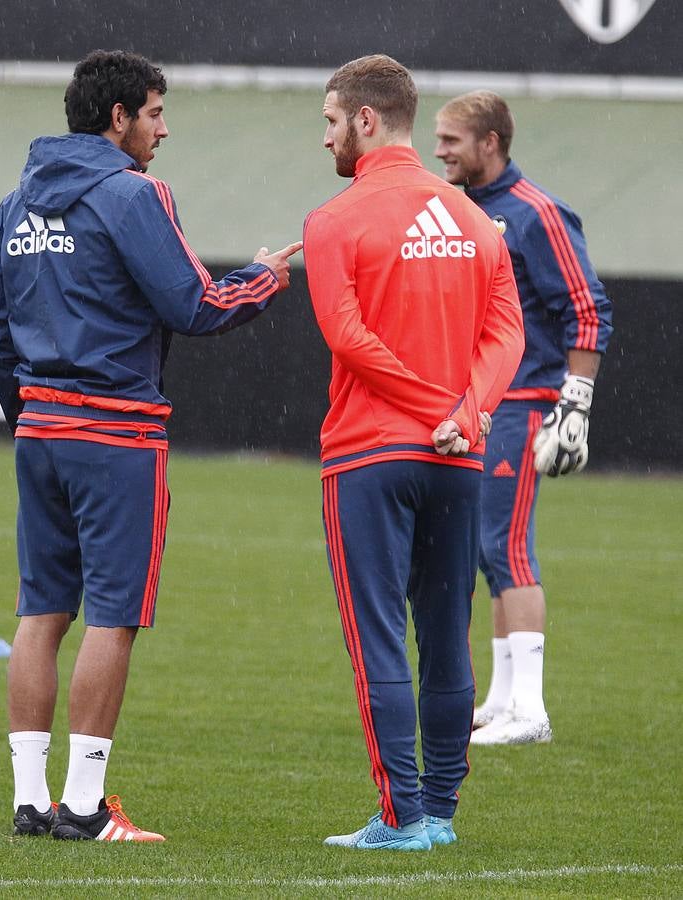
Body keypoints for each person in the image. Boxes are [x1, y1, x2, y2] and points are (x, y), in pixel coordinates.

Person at [0, 49, 301, 842]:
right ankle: (84, 808)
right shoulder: (133, 195)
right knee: (113, 617)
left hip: (41, 432)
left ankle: (29, 801)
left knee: (40, 612)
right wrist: (263, 277)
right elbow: (196, 306)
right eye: (155, 112)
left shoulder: (15, 203)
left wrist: (33, 412)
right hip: (116, 433)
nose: (164, 128)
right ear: (117, 117)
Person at [302, 55, 524, 850]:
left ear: (365, 120)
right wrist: (466, 412)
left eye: (329, 122)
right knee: (444, 631)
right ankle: (438, 815)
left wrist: (437, 408)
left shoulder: (331, 220)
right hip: (456, 457)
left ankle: (397, 820)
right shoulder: (474, 219)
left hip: (369, 452)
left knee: (377, 638)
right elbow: (507, 332)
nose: (324, 139)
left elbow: (346, 336)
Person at [435, 91, 613, 747]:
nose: (439, 151)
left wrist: (575, 400)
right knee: (486, 549)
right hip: (481, 403)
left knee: (505, 548)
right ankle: (502, 699)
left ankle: (530, 711)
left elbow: (587, 309)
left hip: (524, 400)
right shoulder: (458, 211)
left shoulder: (537, 213)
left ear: (489, 143)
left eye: (451, 139)